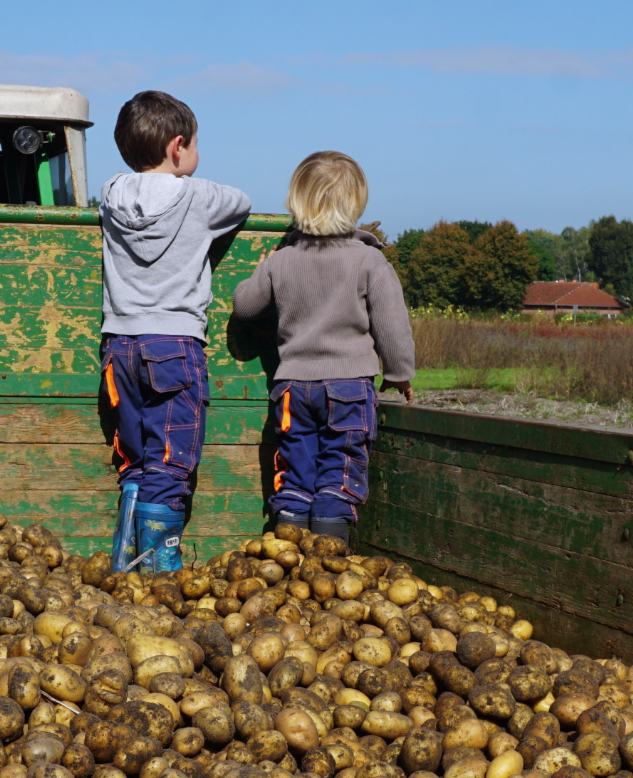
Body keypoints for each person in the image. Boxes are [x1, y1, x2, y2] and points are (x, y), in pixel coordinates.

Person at [99, 90, 252, 572]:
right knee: (172, 454)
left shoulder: (110, 193)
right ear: (178, 145)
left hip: (119, 345)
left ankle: (126, 555)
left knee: (137, 456)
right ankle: (160, 567)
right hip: (174, 343)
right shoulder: (198, 196)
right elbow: (242, 202)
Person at [231, 151, 414, 541]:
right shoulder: (369, 261)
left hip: (293, 388)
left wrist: (261, 268)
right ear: (356, 204)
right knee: (340, 472)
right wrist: (399, 374)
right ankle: (329, 566)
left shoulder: (282, 260)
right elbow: (392, 325)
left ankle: (287, 561)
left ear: (297, 203)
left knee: (295, 473)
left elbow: (245, 307)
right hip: (349, 388)